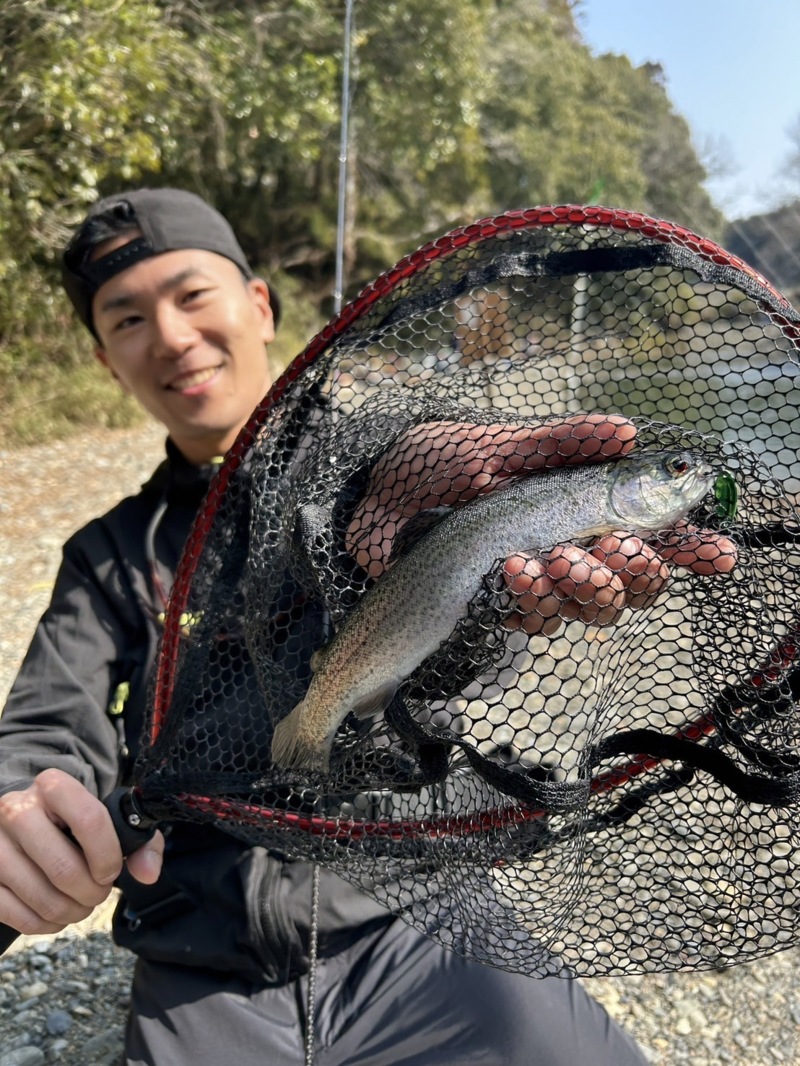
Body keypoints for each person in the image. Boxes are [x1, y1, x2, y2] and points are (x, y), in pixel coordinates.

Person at [0, 188, 734, 1065]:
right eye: (128, 318)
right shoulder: (109, 555)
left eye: (192, 295)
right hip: (203, 947)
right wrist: (24, 808)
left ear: (260, 306)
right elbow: (46, 725)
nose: (172, 336)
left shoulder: (388, 477)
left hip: (417, 904)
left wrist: (476, 616)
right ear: (104, 359)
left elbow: (477, 662)